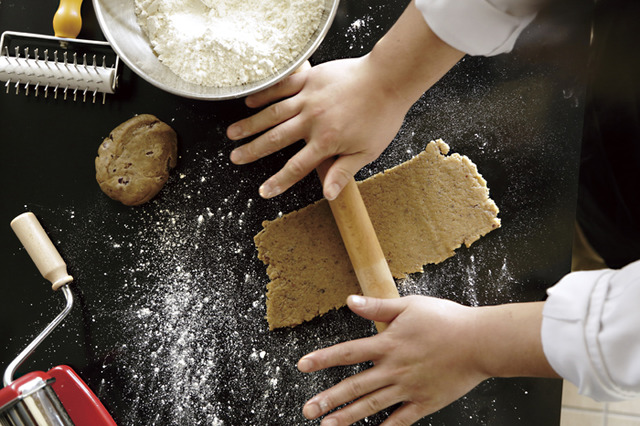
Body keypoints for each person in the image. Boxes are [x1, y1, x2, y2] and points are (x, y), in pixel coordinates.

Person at [227, 0, 640, 425]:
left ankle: (592, 240)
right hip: (612, 129)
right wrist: (384, 78)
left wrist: (476, 345)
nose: (531, 49)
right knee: (590, 173)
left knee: (596, 233)